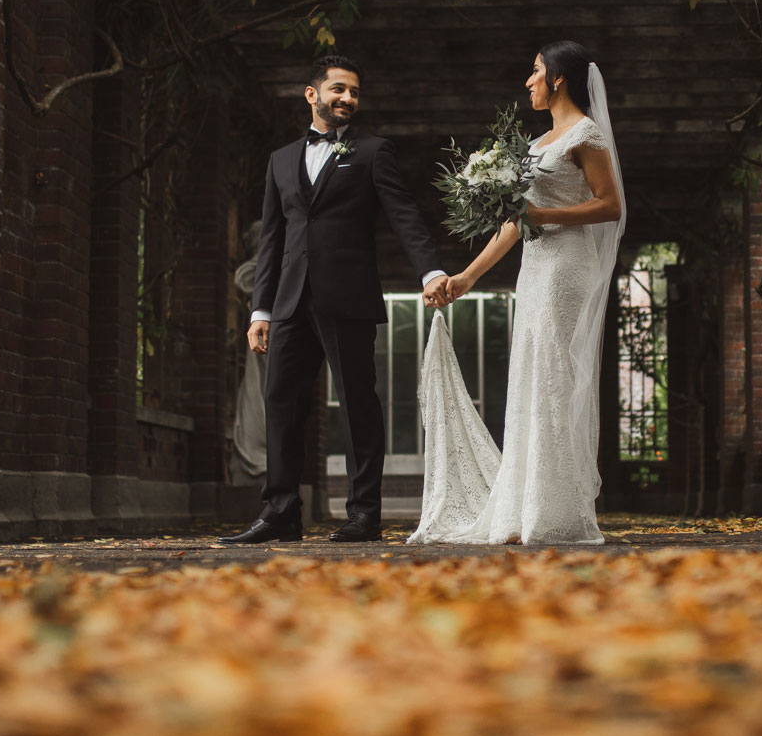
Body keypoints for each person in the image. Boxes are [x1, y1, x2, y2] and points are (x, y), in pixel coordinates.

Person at [409, 40, 626, 546]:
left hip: (568, 268)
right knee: (531, 375)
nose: (527, 81)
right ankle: (529, 507)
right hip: (534, 270)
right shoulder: (533, 146)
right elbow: (513, 225)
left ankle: (559, 511)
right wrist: (466, 277)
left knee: (555, 376)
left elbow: (610, 205)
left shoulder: (586, 135)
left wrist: (545, 217)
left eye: (534, 72)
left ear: (558, 79)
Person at [225, 57, 450, 544]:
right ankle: (281, 511)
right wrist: (260, 309)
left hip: (347, 296)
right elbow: (272, 241)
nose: (348, 99)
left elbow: (403, 214)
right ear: (312, 94)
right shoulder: (280, 160)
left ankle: (364, 513)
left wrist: (430, 270)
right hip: (288, 301)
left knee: (356, 404)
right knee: (281, 402)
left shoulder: (372, 152)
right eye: (339, 90)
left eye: (354, 93)